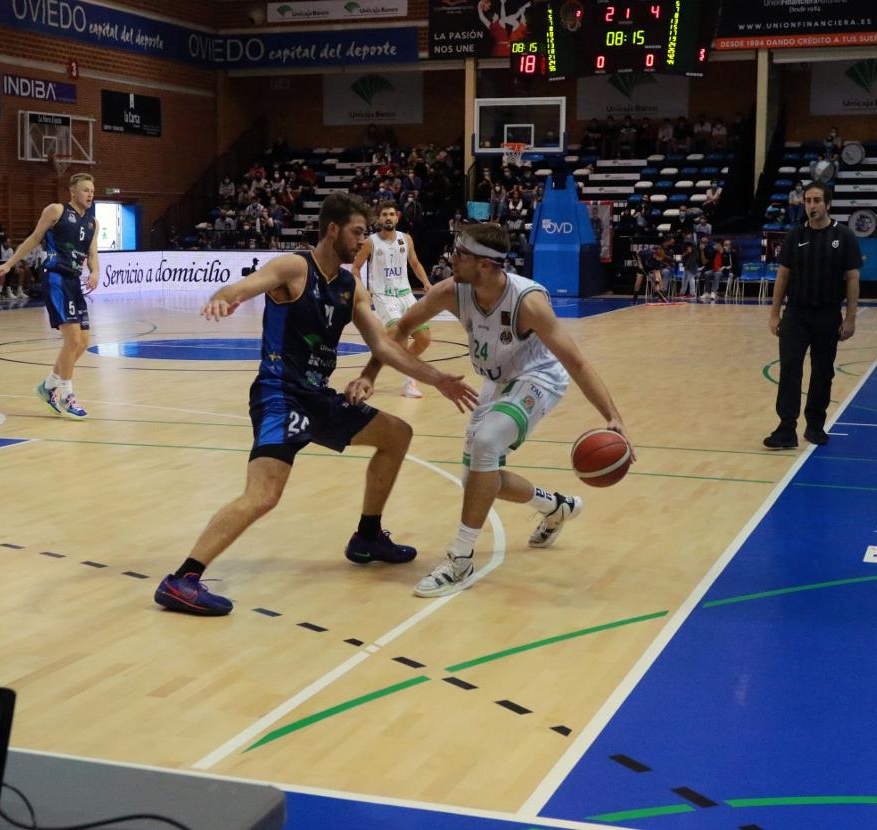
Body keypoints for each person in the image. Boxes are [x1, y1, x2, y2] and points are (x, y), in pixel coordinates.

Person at [152, 192, 477, 616]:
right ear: (332, 229)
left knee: (397, 433)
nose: (363, 242)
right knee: (264, 495)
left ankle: (367, 536)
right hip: (280, 393)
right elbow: (247, 285)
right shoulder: (294, 267)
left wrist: (435, 379)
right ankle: (182, 579)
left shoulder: (348, 287)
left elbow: (383, 343)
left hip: (318, 396)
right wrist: (225, 295)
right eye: (358, 233)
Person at [356, 223, 632, 597]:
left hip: (538, 378)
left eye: (460, 254)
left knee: (486, 443)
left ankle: (460, 559)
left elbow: (576, 362)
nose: (452, 258)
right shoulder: (453, 291)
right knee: (478, 484)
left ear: (485, 265)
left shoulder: (528, 302)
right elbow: (401, 327)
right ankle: (556, 507)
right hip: (497, 384)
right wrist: (370, 373)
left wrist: (612, 418)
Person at [0, 172, 99, 419]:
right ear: (73, 192)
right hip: (56, 278)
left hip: (74, 281)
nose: (90, 193)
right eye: (85, 190)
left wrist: (95, 272)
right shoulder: (56, 211)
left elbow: (92, 252)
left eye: (92, 190)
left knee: (82, 343)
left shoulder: (92, 222)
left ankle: (48, 385)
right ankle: (67, 396)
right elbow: (34, 237)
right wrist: (9, 264)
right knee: (71, 341)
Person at [765, 182, 860, 449]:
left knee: (822, 372)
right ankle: (786, 428)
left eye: (817, 200)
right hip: (796, 313)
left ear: (827, 204)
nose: (812, 205)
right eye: (808, 200)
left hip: (828, 314)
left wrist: (850, 318)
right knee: (790, 368)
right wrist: (774, 315)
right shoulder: (794, 236)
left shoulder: (844, 236)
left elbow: (852, 278)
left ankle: (815, 426)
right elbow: (782, 275)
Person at [353, 201, 434, 399]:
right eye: (384, 214)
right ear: (378, 219)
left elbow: (415, 264)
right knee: (401, 335)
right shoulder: (370, 242)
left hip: (405, 293)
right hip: (384, 296)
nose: (388, 217)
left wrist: (426, 283)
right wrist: (362, 290)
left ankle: (405, 366)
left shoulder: (405, 239)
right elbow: (355, 268)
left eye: (391, 214)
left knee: (424, 339)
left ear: (397, 217)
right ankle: (407, 382)